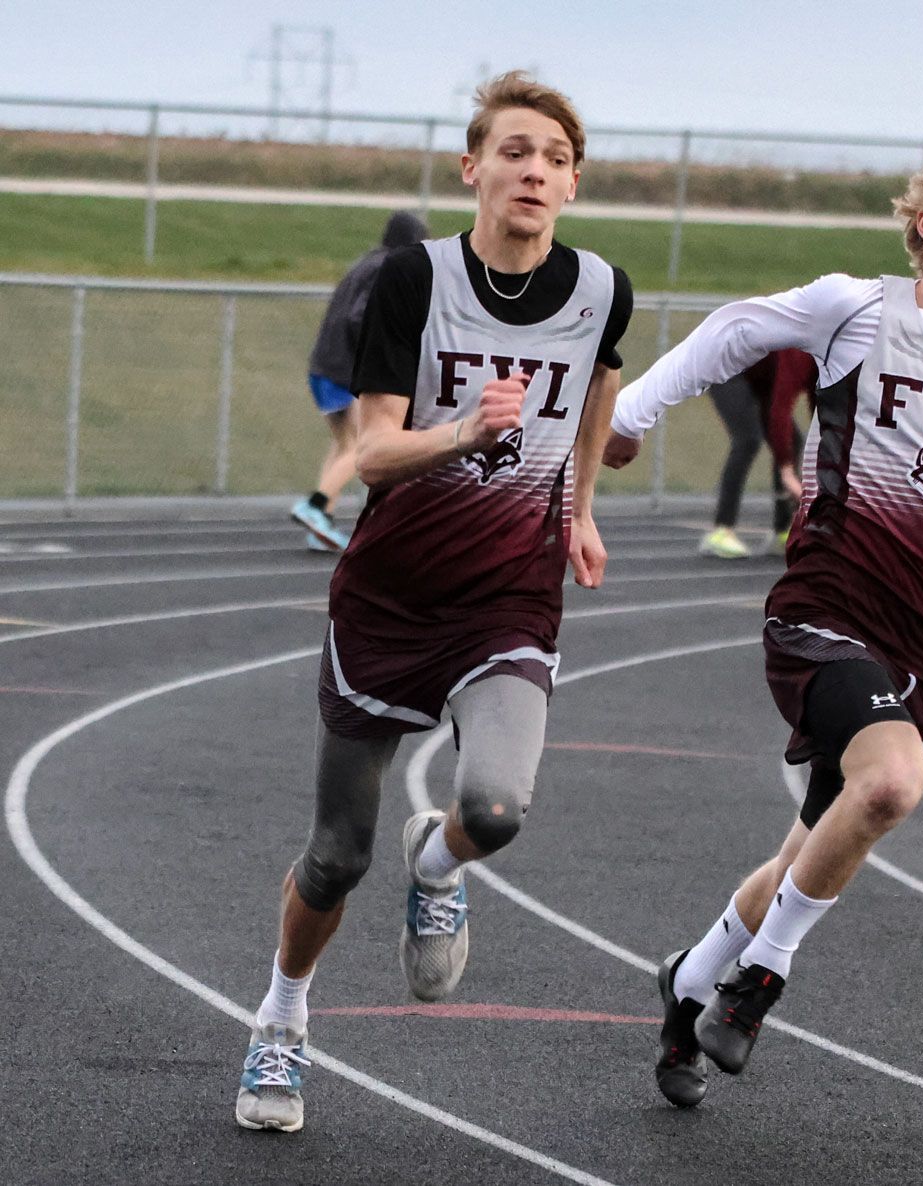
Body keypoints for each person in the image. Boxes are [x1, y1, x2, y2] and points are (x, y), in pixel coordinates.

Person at [602, 123, 923, 1107]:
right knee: (889, 784)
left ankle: (691, 981)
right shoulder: (857, 309)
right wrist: (629, 418)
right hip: (826, 611)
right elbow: (736, 330)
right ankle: (759, 982)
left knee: (810, 849)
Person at [235, 70, 633, 1133]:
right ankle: (282, 1020)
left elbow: (599, 384)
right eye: (515, 151)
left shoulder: (603, 290)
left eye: (555, 158)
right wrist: (465, 431)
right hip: (391, 597)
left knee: (495, 809)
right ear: (473, 168)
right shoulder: (415, 281)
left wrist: (580, 506)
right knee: (336, 855)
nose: (534, 171)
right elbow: (370, 451)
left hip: (508, 594)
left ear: (574, 183)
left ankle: (440, 861)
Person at [291, 211, 430, 552]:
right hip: (343, 370)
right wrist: (381, 354)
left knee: (344, 444)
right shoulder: (386, 269)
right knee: (361, 447)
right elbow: (359, 317)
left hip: (322, 365)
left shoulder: (364, 262)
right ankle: (316, 505)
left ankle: (320, 522)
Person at [699, 349, 817, 558]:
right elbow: (780, 411)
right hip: (727, 371)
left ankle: (783, 530)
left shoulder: (829, 365)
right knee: (748, 439)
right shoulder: (800, 356)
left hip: (760, 378)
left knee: (793, 441)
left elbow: (820, 412)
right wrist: (787, 471)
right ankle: (721, 530)